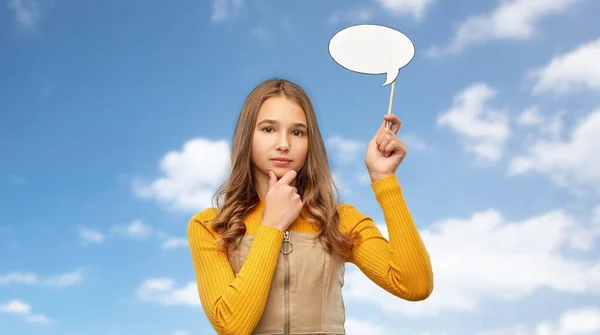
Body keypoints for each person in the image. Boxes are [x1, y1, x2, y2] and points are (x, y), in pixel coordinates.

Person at [187, 78, 434, 335]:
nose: (283, 143)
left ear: (309, 142)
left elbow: (415, 285)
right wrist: (272, 225)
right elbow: (232, 326)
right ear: (247, 137)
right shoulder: (210, 226)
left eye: (297, 132)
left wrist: (384, 180)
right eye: (268, 129)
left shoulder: (339, 220)